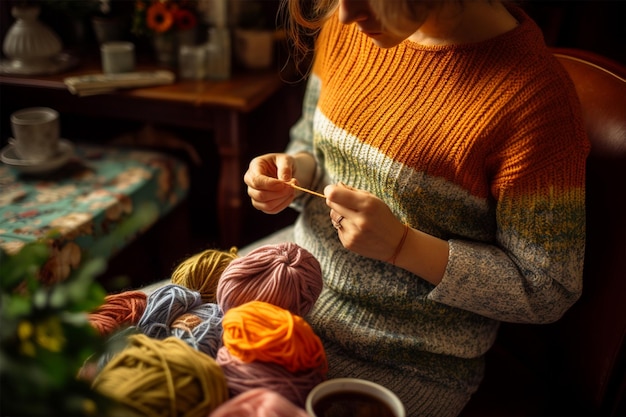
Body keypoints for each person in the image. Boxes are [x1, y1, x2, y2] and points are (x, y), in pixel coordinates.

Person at [244, 1, 589, 416]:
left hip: (402, 362)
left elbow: (547, 287)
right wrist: (295, 170)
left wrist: (402, 245)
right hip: (286, 285)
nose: (346, 14)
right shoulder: (347, 25)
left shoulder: (536, 103)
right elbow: (308, 138)